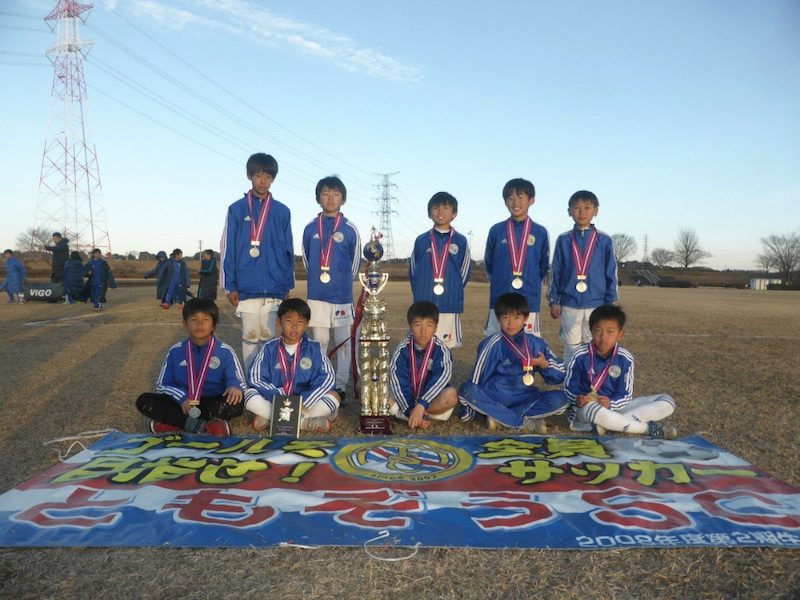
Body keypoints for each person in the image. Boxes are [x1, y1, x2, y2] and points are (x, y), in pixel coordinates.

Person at [221, 152, 294, 371]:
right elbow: (227, 249)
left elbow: (288, 250)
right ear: (249, 176)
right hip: (246, 286)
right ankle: (252, 382)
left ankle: (268, 379)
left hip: (274, 287)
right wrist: (229, 285)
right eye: (258, 175)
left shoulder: (282, 211)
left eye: (268, 176)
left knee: (269, 334)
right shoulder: (236, 209)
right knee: (251, 334)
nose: (263, 181)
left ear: (273, 178)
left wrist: (286, 285)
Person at [136, 298, 246, 436]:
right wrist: (182, 398)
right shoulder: (176, 351)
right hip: (184, 403)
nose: (199, 324)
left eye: (205, 319)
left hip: (213, 401)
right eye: (194, 319)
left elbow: (238, 381)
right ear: (185, 324)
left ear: (214, 325)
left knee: (237, 402)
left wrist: (234, 386)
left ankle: (175, 422)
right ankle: (205, 424)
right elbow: (162, 385)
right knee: (144, 400)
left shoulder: (225, 351)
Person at [564, 304, 677, 438]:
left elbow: (626, 395)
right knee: (594, 410)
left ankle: (611, 424)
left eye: (610, 332)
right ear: (591, 331)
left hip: (617, 408)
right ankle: (645, 429)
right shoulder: (579, 355)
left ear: (620, 334)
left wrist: (611, 403)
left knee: (667, 401)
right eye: (598, 330)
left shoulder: (625, 358)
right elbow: (567, 389)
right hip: (586, 409)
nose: (603, 336)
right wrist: (577, 399)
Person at [459, 292, 567, 433]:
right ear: (498, 318)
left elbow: (560, 374)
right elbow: (477, 379)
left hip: (525, 397)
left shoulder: (537, 343)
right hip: (496, 396)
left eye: (516, 317)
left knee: (561, 399)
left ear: (525, 318)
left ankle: (500, 417)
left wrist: (545, 365)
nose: (511, 323)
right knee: (467, 389)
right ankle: (524, 421)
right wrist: (471, 412)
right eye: (505, 317)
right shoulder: (491, 343)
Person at [302, 176, 360, 403]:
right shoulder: (309, 228)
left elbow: (355, 264)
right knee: (319, 342)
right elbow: (307, 261)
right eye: (325, 193)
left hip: (342, 296)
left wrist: (342, 282)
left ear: (343, 199)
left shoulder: (350, 229)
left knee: (344, 342)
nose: (330, 198)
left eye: (335, 194)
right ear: (318, 198)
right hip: (317, 296)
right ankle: (321, 383)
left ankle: (341, 385)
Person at [245, 298, 340, 433]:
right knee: (250, 395)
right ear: (279, 322)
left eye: (300, 322)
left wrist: (305, 400)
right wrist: (278, 396)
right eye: (289, 321)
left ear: (307, 324)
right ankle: (304, 422)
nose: (294, 326)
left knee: (334, 396)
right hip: (276, 400)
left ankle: (271, 419)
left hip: (304, 404)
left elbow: (327, 379)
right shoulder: (269, 348)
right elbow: (256, 378)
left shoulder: (315, 348)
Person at [547, 190, 618, 364]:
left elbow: (611, 272)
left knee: (593, 343)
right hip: (570, 302)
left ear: (596, 211)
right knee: (571, 345)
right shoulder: (563, 239)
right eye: (577, 207)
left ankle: (591, 382)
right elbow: (556, 271)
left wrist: (611, 302)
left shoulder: (604, 240)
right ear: (569, 211)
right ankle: (570, 382)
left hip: (597, 303)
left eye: (587, 207)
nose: (582, 212)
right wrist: (553, 300)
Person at [483, 178, 550, 337]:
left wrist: (530, 280)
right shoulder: (496, 230)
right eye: (510, 197)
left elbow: (543, 265)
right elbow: (489, 262)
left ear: (531, 200)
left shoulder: (539, 232)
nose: (515, 202)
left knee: (528, 342)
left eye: (520, 197)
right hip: (500, 295)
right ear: (505, 201)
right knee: (496, 339)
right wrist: (501, 280)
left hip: (528, 298)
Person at [408, 192, 471, 348]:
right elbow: (413, 271)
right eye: (435, 208)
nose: (440, 211)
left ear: (454, 213)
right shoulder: (422, 240)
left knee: (445, 345)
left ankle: (444, 373)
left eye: (445, 207)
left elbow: (464, 272)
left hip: (449, 302)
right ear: (430, 213)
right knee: (421, 343)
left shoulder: (461, 241)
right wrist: (421, 292)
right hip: (424, 301)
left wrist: (452, 289)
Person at [388, 301, 458, 429]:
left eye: (429, 325)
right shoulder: (402, 350)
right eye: (418, 325)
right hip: (404, 401)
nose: (423, 331)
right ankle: (408, 415)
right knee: (376, 390)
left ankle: (416, 414)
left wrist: (421, 405)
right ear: (410, 327)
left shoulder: (442, 350)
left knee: (451, 396)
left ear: (436, 328)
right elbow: (398, 381)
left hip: (431, 402)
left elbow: (441, 378)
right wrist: (410, 410)